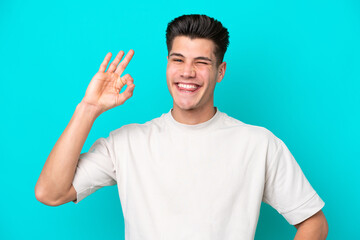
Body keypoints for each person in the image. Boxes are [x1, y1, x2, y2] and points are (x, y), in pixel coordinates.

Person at [35, 14, 328, 240]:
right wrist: (88, 109)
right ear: (167, 64)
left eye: (201, 62)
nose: (187, 72)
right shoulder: (126, 143)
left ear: (220, 71)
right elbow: (50, 193)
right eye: (178, 60)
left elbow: (314, 222)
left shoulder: (258, 143)